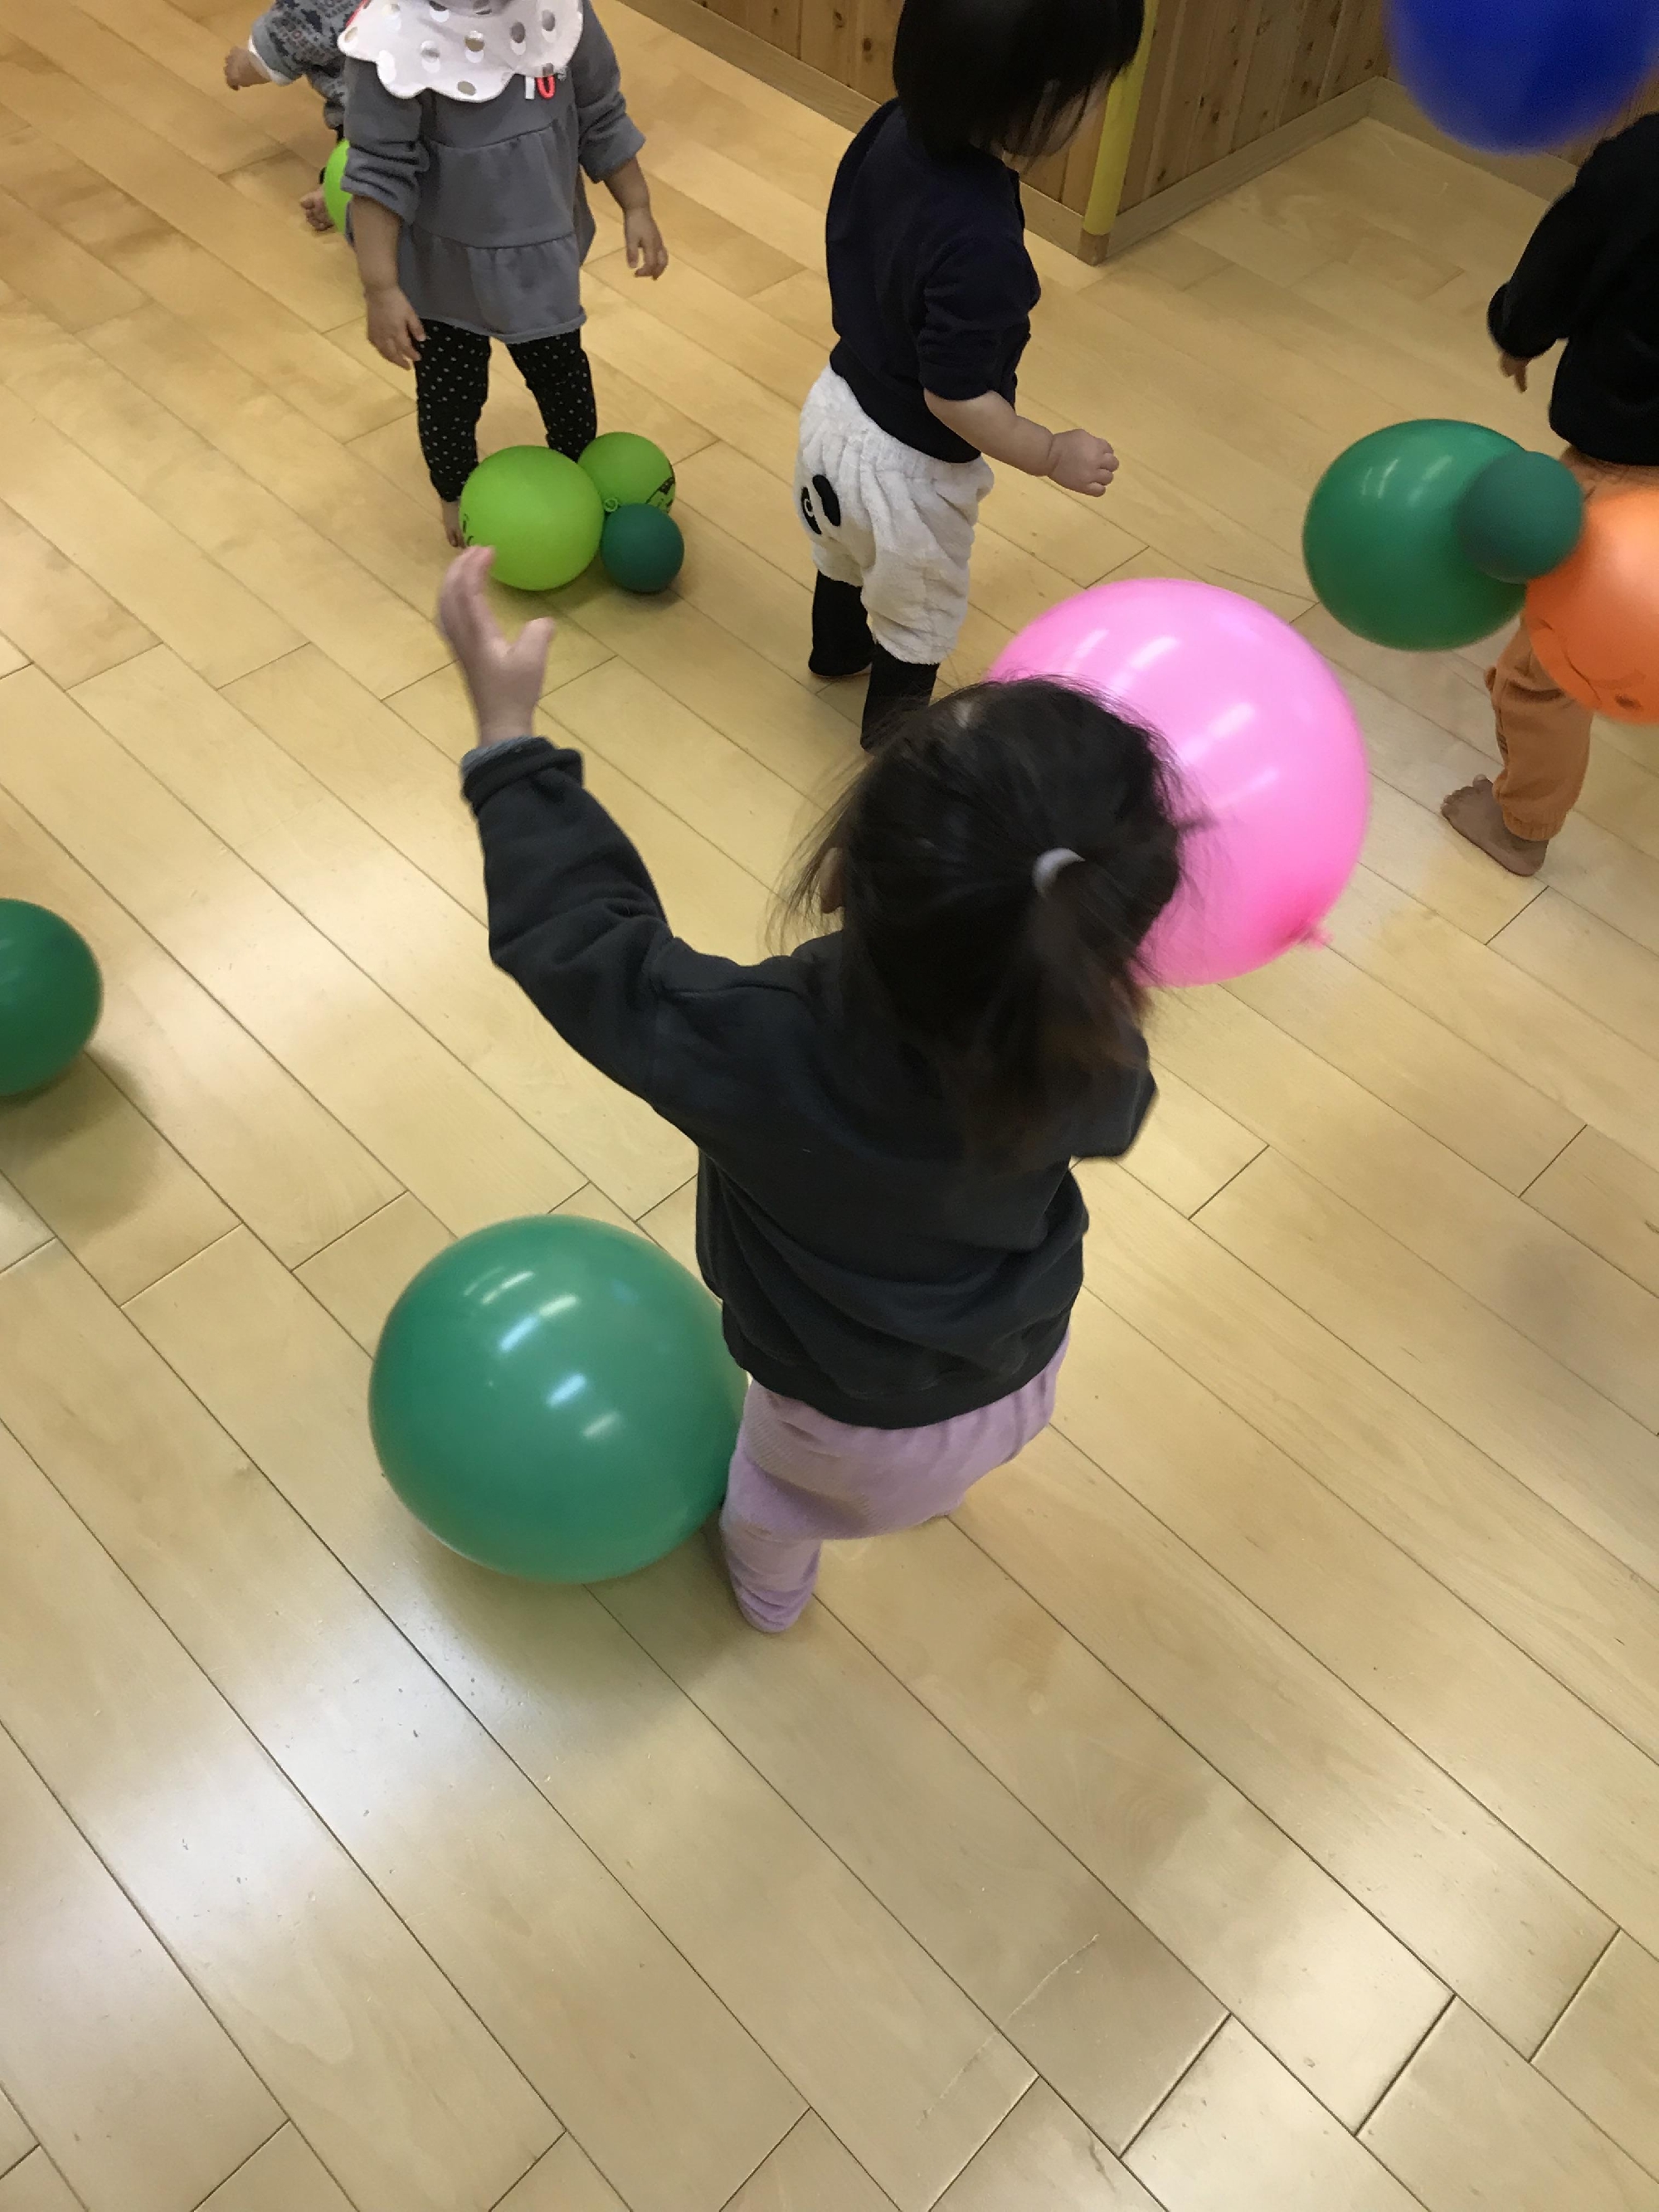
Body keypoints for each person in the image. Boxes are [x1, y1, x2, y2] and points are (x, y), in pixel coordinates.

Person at [440, 545, 1181, 1630]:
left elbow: (585, 946)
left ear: (837, 871)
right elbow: (1117, 1117)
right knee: (925, 1470)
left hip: (835, 1413)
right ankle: (924, 1496)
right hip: (1022, 1367)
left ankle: (772, 1594)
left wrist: (508, 744)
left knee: (776, 1504)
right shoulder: (1090, 1048)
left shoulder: (760, 1046)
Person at [798, 0, 1143, 748]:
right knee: (915, 611)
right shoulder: (984, 244)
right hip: (908, 472)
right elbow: (954, 395)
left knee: (843, 554)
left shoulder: (891, 124)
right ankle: (894, 745)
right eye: (1096, 89)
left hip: (831, 410)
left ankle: (835, 651)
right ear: (1042, 102)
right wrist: (1050, 452)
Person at [339, 0, 667, 544]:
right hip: (441, 272)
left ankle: (580, 476)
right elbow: (378, 172)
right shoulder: (392, 43)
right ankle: (456, 495)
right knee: (450, 394)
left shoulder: (558, 13)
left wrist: (637, 205)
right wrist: (381, 286)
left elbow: (599, 112)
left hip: (537, 259)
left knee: (562, 375)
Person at [1443, 111, 1659, 875]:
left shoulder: (1642, 163)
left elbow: (1562, 260)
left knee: (1550, 671)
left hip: (1629, 468)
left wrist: (1519, 329)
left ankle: (1520, 826)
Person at [224, 1, 354, 231]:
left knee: (364, 150)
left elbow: (274, 54)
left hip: (375, 115)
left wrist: (241, 67)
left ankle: (343, 191)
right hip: (434, 97)